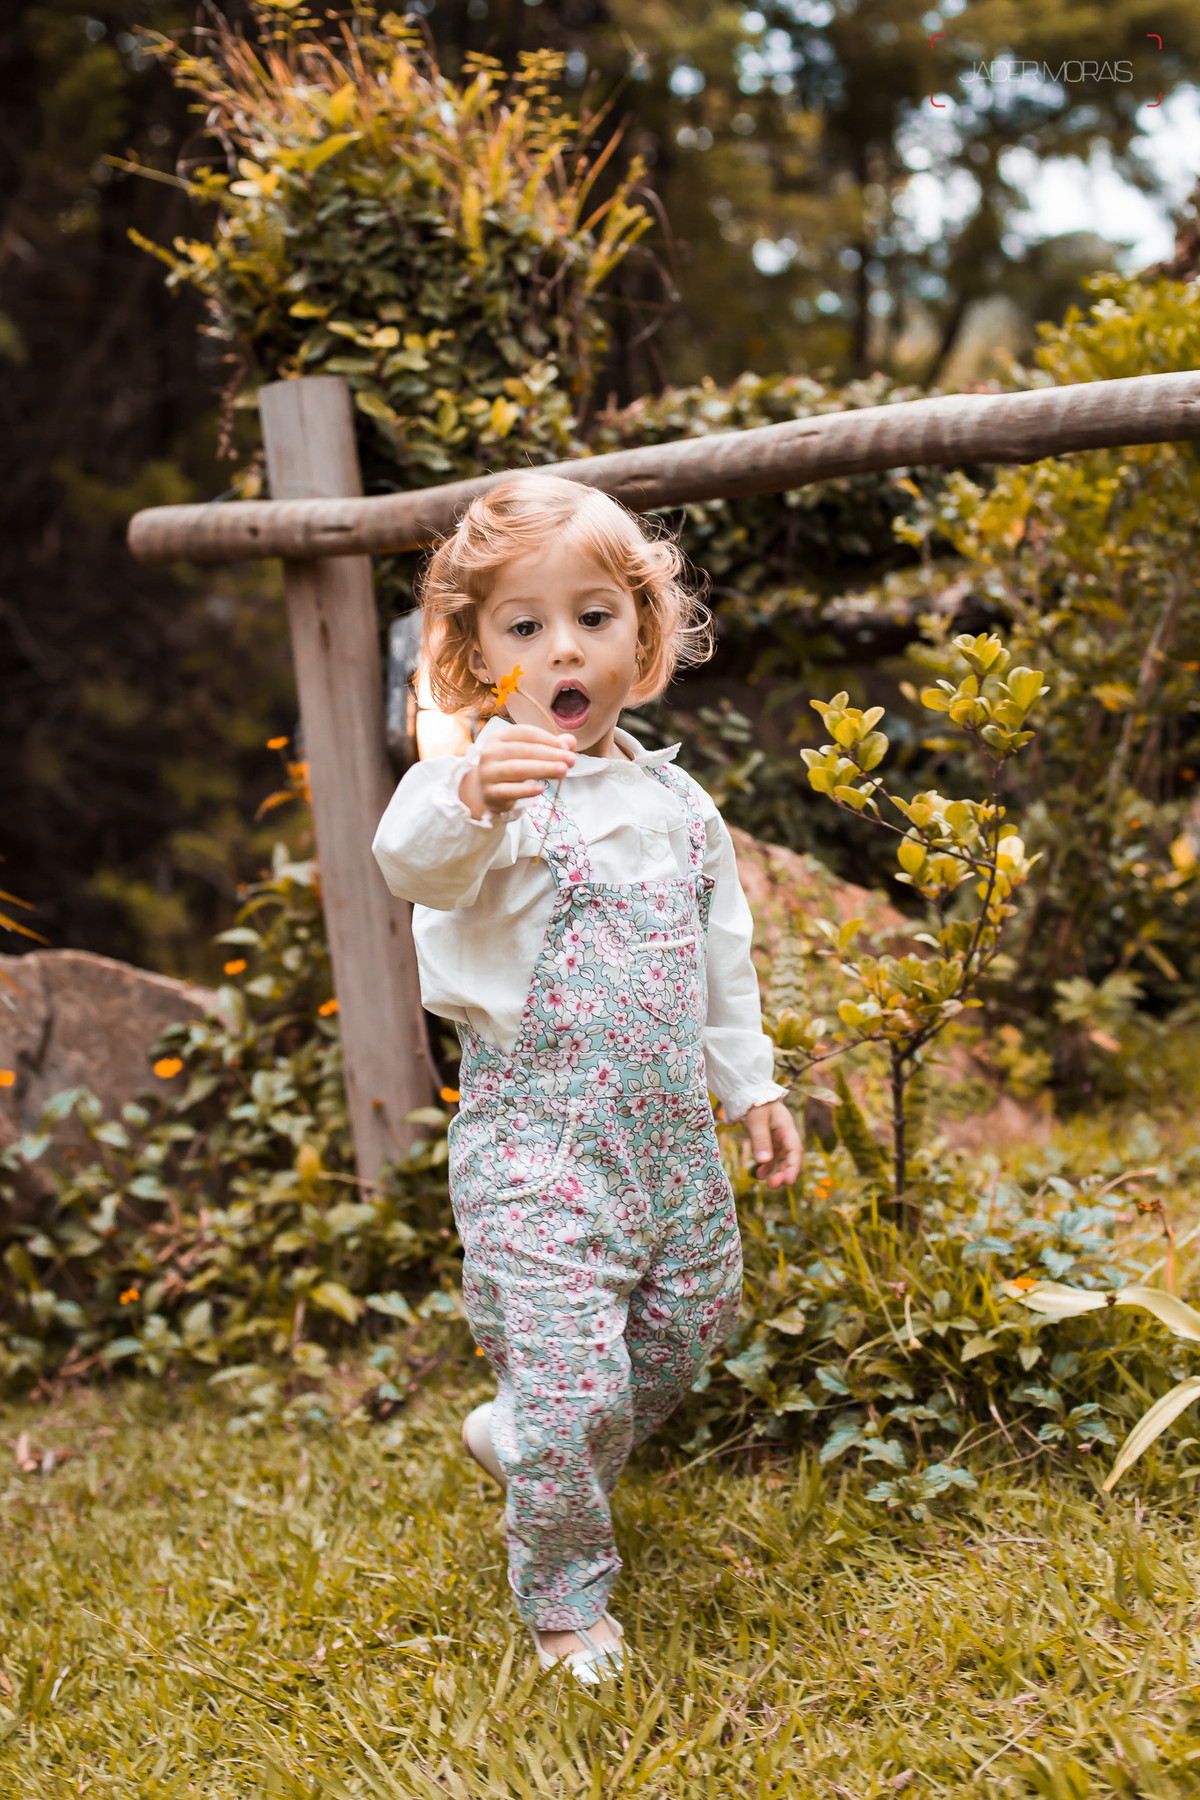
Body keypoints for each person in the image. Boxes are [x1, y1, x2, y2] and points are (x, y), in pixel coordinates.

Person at [372, 473, 801, 1684]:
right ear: (474, 655)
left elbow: (721, 959)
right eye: (524, 625)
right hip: (537, 1145)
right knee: (574, 1388)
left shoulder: (677, 802)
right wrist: (465, 793)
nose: (564, 647)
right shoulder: (483, 792)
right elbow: (410, 863)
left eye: (595, 617)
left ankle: (528, 1440)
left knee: (691, 1324)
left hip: (667, 1141)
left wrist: (751, 1087)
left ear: (643, 635)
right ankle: (566, 1598)